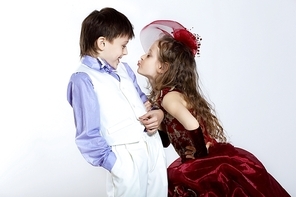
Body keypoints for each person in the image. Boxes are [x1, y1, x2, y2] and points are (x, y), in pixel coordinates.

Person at [137, 20, 291, 197]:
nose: (141, 57)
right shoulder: (165, 96)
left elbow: (192, 124)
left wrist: (200, 155)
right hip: (194, 157)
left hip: (203, 159)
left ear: (162, 67)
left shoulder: (169, 98)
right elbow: (166, 141)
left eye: (148, 55)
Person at [66, 8, 168, 197]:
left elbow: (144, 102)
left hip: (151, 148)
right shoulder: (83, 79)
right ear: (102, 43)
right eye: (123, 45)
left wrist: (156, 114)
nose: (126, 51)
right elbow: (87, 135)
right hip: (125, 159)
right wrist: (118, 166)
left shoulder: (125, 70)